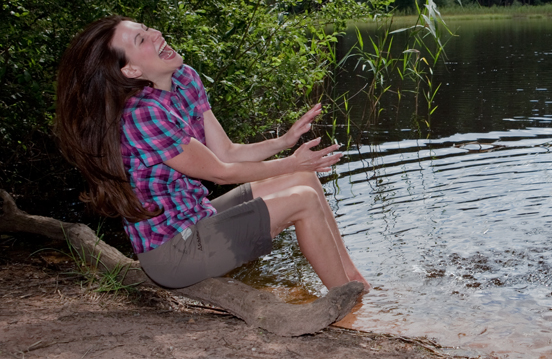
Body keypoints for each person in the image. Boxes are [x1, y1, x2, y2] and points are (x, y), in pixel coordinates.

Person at [56, 15, 369, 293]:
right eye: (142, 39)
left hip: (199, 217)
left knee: (304, 178)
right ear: (132, 69)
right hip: (173, 254)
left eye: (147, 28)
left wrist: (285, 142)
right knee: (304, 200)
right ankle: (344, 308)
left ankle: (357, 284)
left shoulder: (184, 79)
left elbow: (227, 152)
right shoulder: (142, 114)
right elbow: (221, 172)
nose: (156, 34)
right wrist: (290, 161)